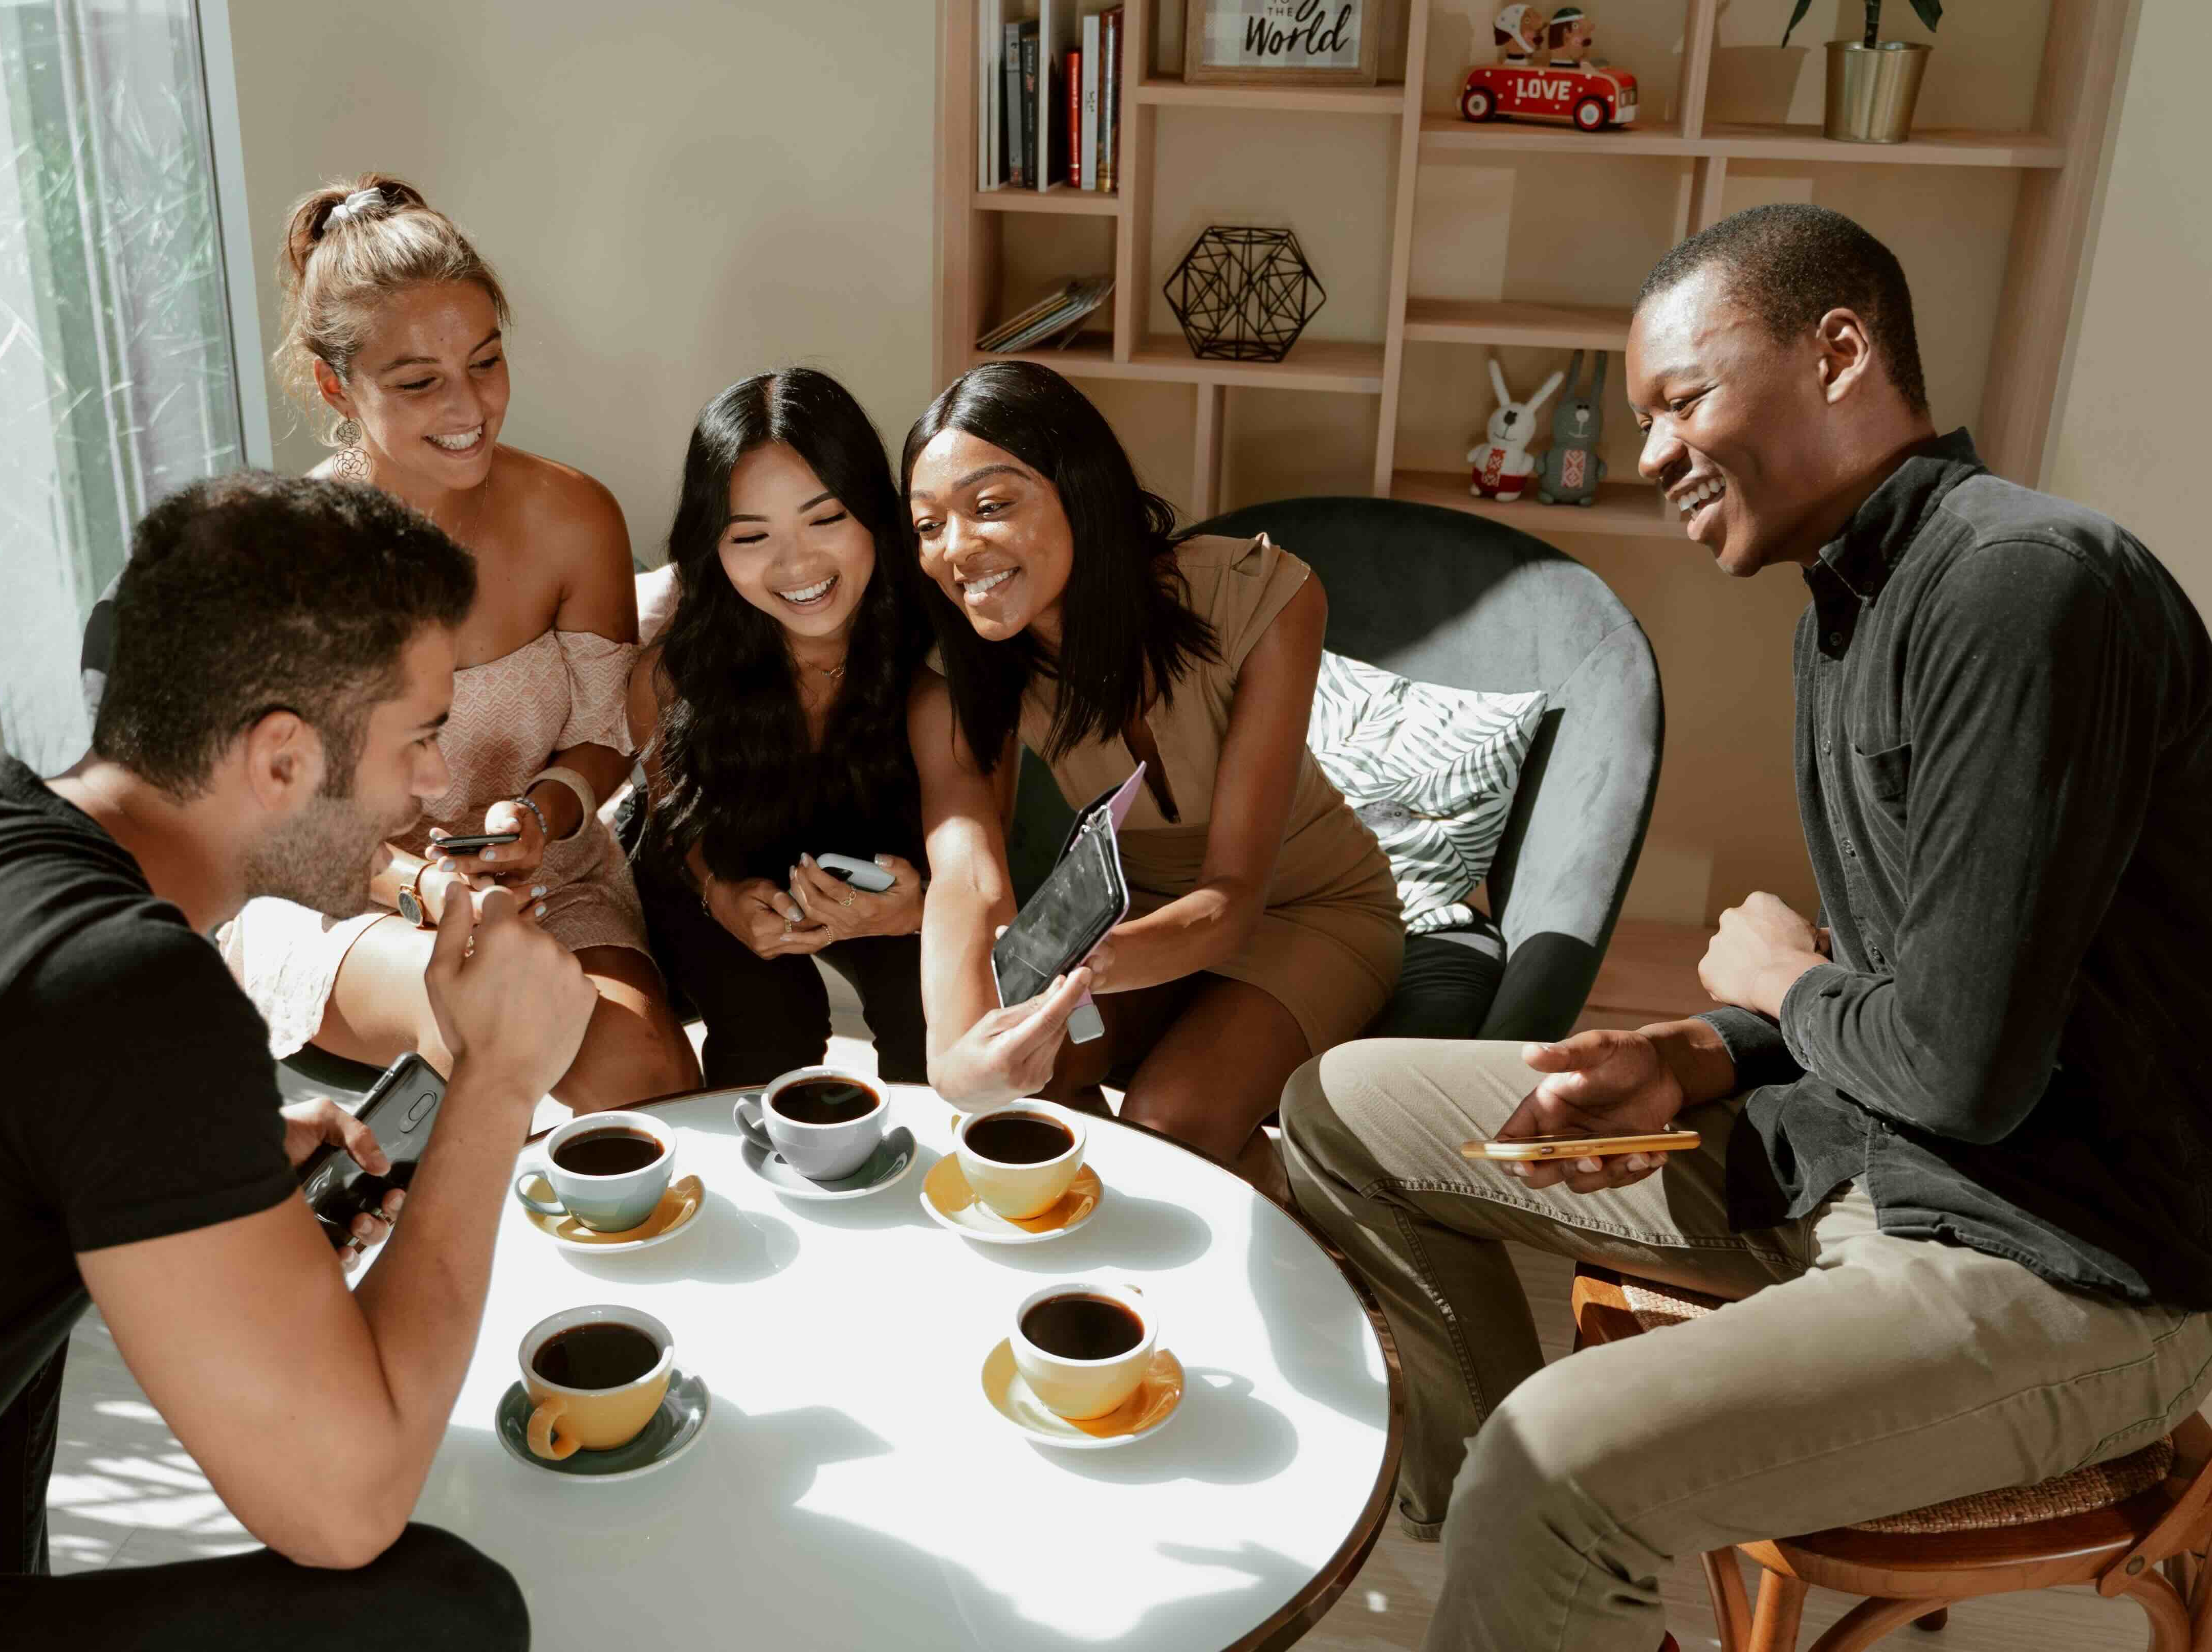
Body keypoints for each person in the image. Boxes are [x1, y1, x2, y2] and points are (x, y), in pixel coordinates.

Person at [1281, 204, 2212, 1651]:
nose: (1649, 451)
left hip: (2057, 1258)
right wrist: (1708, 1051)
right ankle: (1531, 1575)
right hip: (1849, 1152)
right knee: (1338, 1105)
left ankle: (1537, 1535)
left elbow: (1959, 1063)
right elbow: (1910, 973)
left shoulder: (2022, 588)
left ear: (1837, 350)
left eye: (1682, 399)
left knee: (1559, 1457)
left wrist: (1777, 976)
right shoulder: (1844, 604)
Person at [0, 473, 593, 1647]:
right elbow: (344, 1508)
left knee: (21, 1260)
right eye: (423, 735)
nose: (439, 782)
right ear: (284, 759)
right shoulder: (122, 991)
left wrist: (198, 1167)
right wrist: (497, 1081)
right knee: (436, 1610)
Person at [221, 171, 697, 1109]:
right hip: (346, 894)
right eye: (418, 382)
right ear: (335, 383)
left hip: (546, 873)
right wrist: (425, 888)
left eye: (485, 361)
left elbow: (605, 736)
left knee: (652, 1074)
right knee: (498, 1031)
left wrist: (545, 813)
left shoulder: (574, 517)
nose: (469, 406)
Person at [904, 361, 1404, 1194]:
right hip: (1125, 920)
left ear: (1081, 491)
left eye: (991, 506)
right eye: (926, 526)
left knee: (1163, 1126)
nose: (954, 549)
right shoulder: (960, 672)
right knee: (1035, 1097)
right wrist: (956, 1058)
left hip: (1310, 911)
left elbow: (1234, 897)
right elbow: (965, 871)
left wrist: (1068, 980)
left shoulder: (1259, 597)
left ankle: (1271, 1197)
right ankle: (1209, 1213)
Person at [628, 368, 933, 1087]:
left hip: (889, 870)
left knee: (934, 1010)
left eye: (826, 519)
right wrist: (720, 895)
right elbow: (668, 818)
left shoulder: (936, 646)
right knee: (770, 1028)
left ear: (874, 513)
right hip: (720, 857)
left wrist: (918, 906)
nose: (797, 565)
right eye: (752, 535)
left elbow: (979, 833)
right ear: (713, 545)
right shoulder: (670, 672)